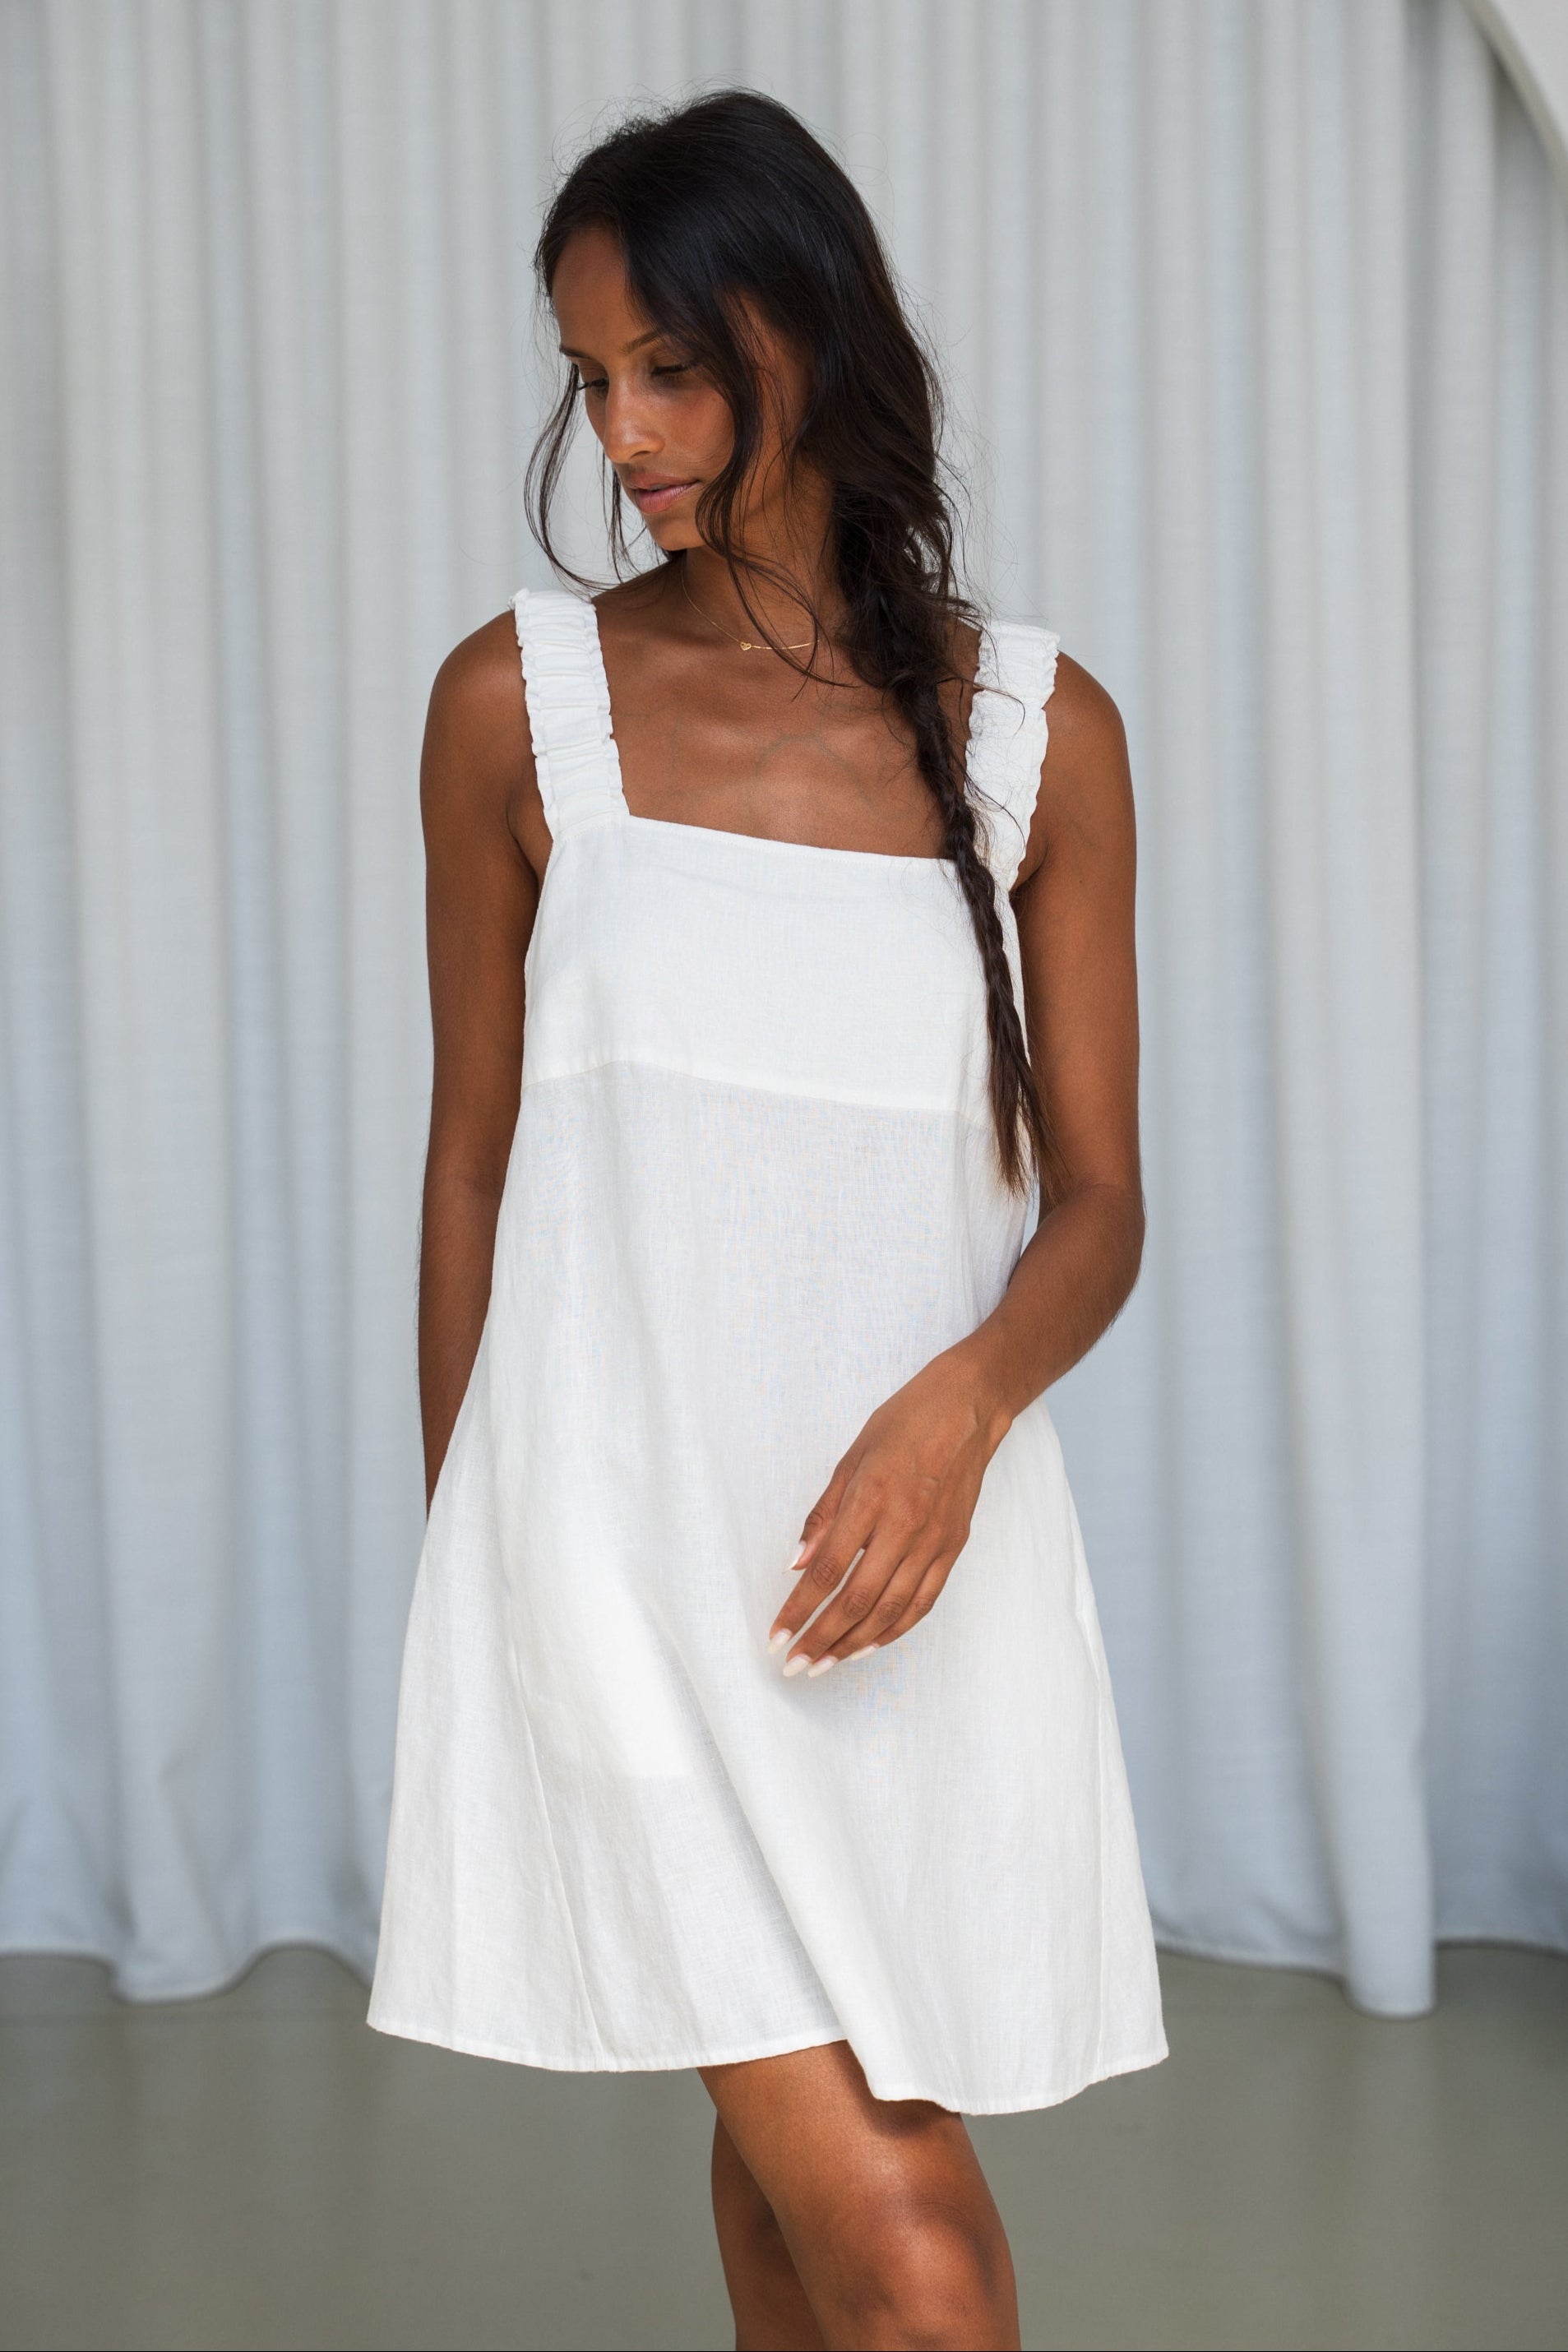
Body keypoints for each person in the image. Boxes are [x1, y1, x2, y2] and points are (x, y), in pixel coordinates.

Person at [368, 88, 1165, 2352]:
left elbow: (1099, 1205)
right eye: (587, 376)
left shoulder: (1035, 736)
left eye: (669, 368)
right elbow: (471, 1161)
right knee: (921, 2265)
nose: (621, 428)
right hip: (612, 1585)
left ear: (800, 333)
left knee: (791, 2218)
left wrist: (955, 1412)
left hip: (901, 1591)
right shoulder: (516, 713)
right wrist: (487, 1580)